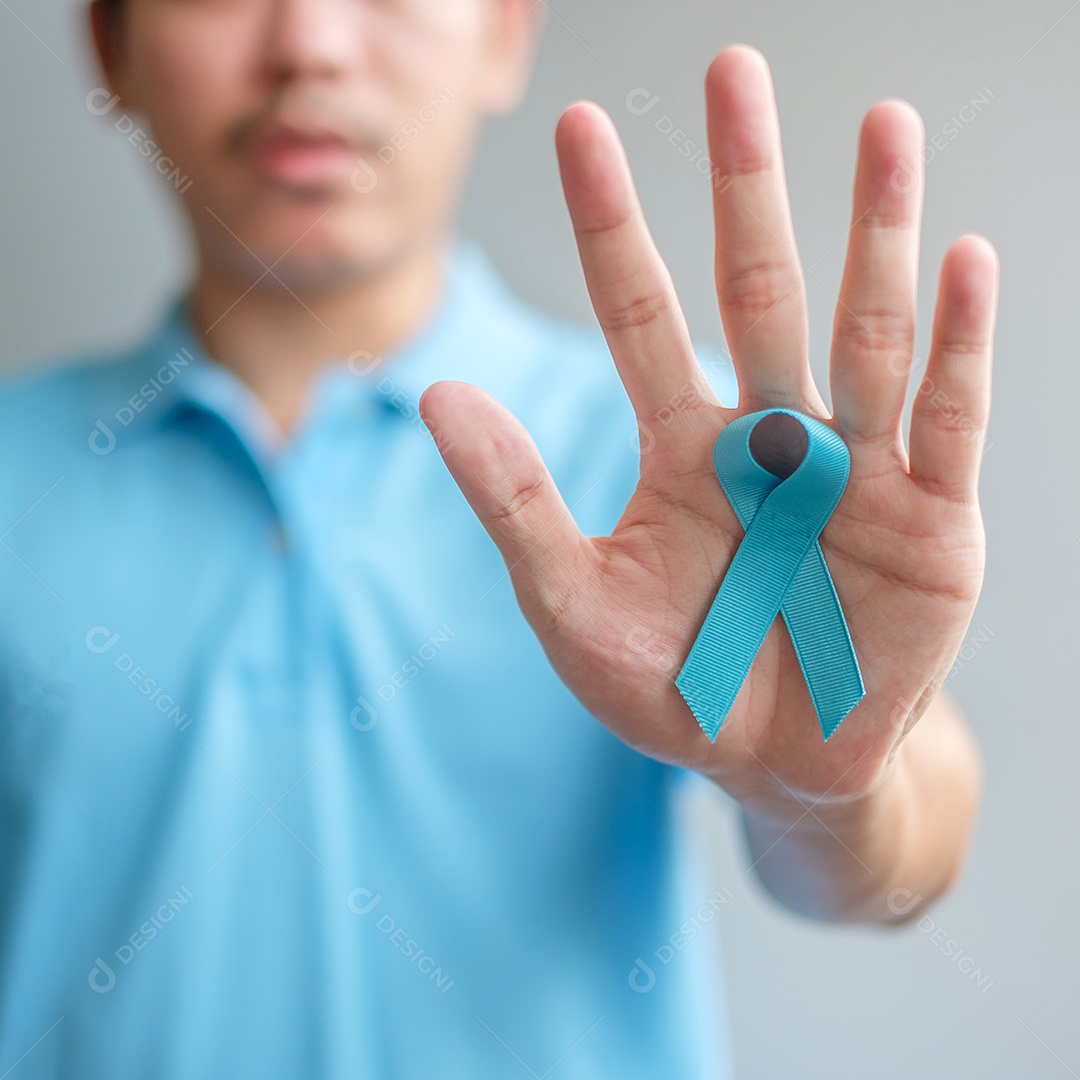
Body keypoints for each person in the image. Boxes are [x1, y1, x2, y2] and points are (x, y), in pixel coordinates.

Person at [0, 1, 997, 1076]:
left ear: (506, 35)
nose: (310, 43)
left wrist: (823, 788)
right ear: (110, 45)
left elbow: (906, 839)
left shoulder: (695, 460)